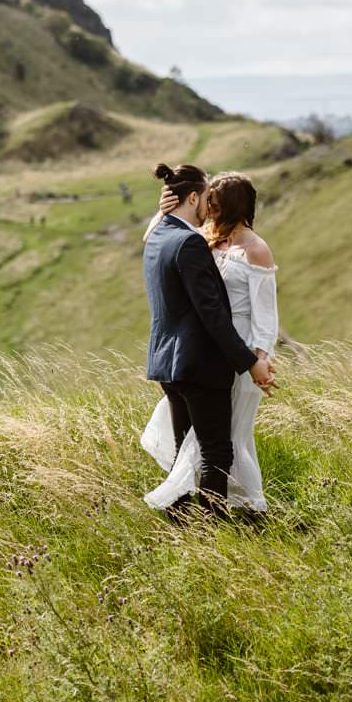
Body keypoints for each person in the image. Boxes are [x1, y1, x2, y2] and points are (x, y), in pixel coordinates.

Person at [141, 164, 276, 520]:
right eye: (207, 203)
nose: (209, 212)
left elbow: (264, 314)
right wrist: (249, 361)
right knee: (213, 449)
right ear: (196, 198)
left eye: (215, 206)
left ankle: (214, 514)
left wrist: (258, 355)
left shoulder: (180, 238)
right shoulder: (193, 241)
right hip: (207, 358)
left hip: (196, 356)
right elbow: (212, 315)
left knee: (208, 444)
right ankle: (210, 525)